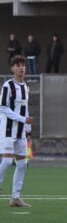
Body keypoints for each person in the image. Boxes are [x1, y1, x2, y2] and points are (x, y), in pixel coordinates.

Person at [0, 56, 32, 208]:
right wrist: (21, 119)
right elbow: (3, 107)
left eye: (23, 65)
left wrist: (28, 129)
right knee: (6, 161)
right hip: (7, 129)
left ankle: (15, 197)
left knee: (22, 164)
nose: (21, 68)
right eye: (18, 65)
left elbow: (25, 109)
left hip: (21, 132)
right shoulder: (8, 86)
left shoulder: (26, 86)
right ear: (12, 68)